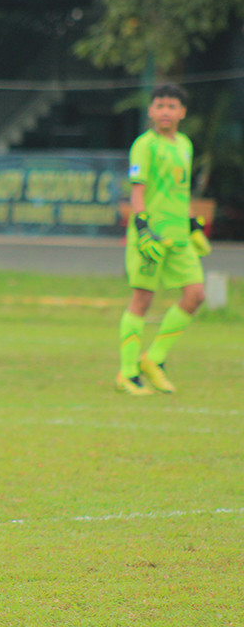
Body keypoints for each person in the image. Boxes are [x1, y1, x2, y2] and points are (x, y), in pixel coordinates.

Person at [117, 84, 211, 395]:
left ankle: (154, 359)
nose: (165, 111)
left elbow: (178, 192)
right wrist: (143, 228)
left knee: (195, 294)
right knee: (142, 299)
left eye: (172, 106)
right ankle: (128, 373)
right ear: (151, 111)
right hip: (152, 238)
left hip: (179, 237)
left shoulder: (184, 144)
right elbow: (138, 190)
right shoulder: (144, 145)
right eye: (160, 106)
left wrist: (191, 225)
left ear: (182, 112)